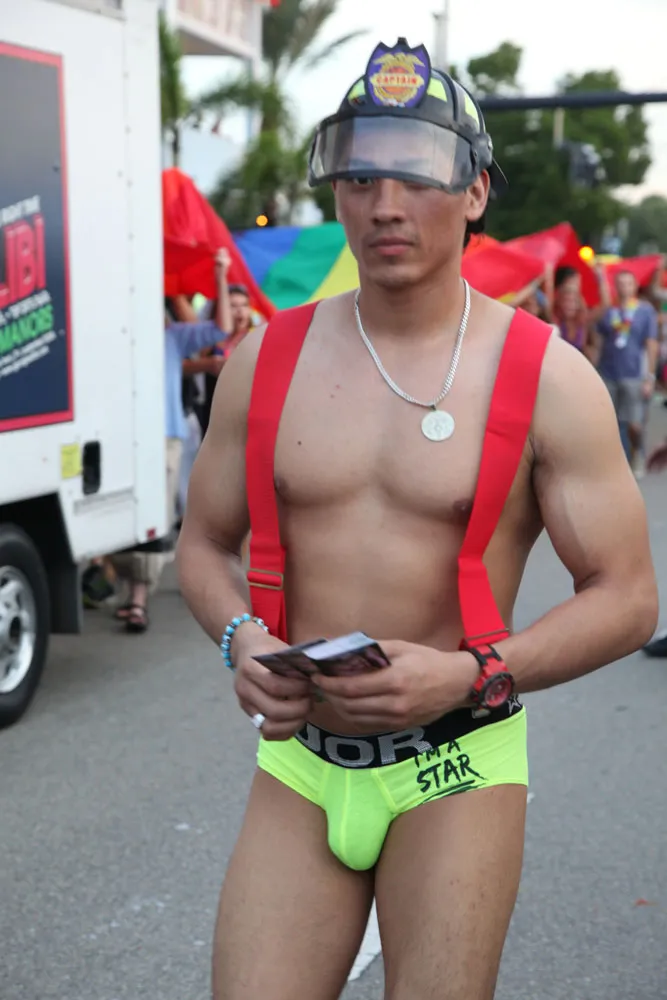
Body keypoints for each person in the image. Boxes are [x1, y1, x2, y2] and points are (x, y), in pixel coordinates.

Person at [176, 38, 658, 1000]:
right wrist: (240, 638)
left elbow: (628, 598)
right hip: (300, 764)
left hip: (459, 763)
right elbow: (202, 546)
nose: (384, 204)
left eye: (417, 173)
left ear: (475, 191)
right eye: (358, 176)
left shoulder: (546, 377)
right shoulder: (265, 360)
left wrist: (473, 673)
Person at [111, 249, 232, 633]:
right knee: (115, 515)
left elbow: (221, 329)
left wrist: (221, 275)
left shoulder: (171, 337)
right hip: (115, 437)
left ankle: (137, 598)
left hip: (163, 438)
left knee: (153, 516)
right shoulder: (113, 335)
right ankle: (120, 583)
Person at [591, 269, 659, 477]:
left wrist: (650, 377)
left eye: (628, 283)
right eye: (620, 283)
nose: (624, 288)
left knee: (634, 424)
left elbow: (651, 344)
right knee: (608, 421)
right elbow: (597, 340)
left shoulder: (645, 311)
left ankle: (637, 452)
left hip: (633, 374)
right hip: (608, 372)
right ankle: (614, 462)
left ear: (635, 286)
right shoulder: (609, 311)